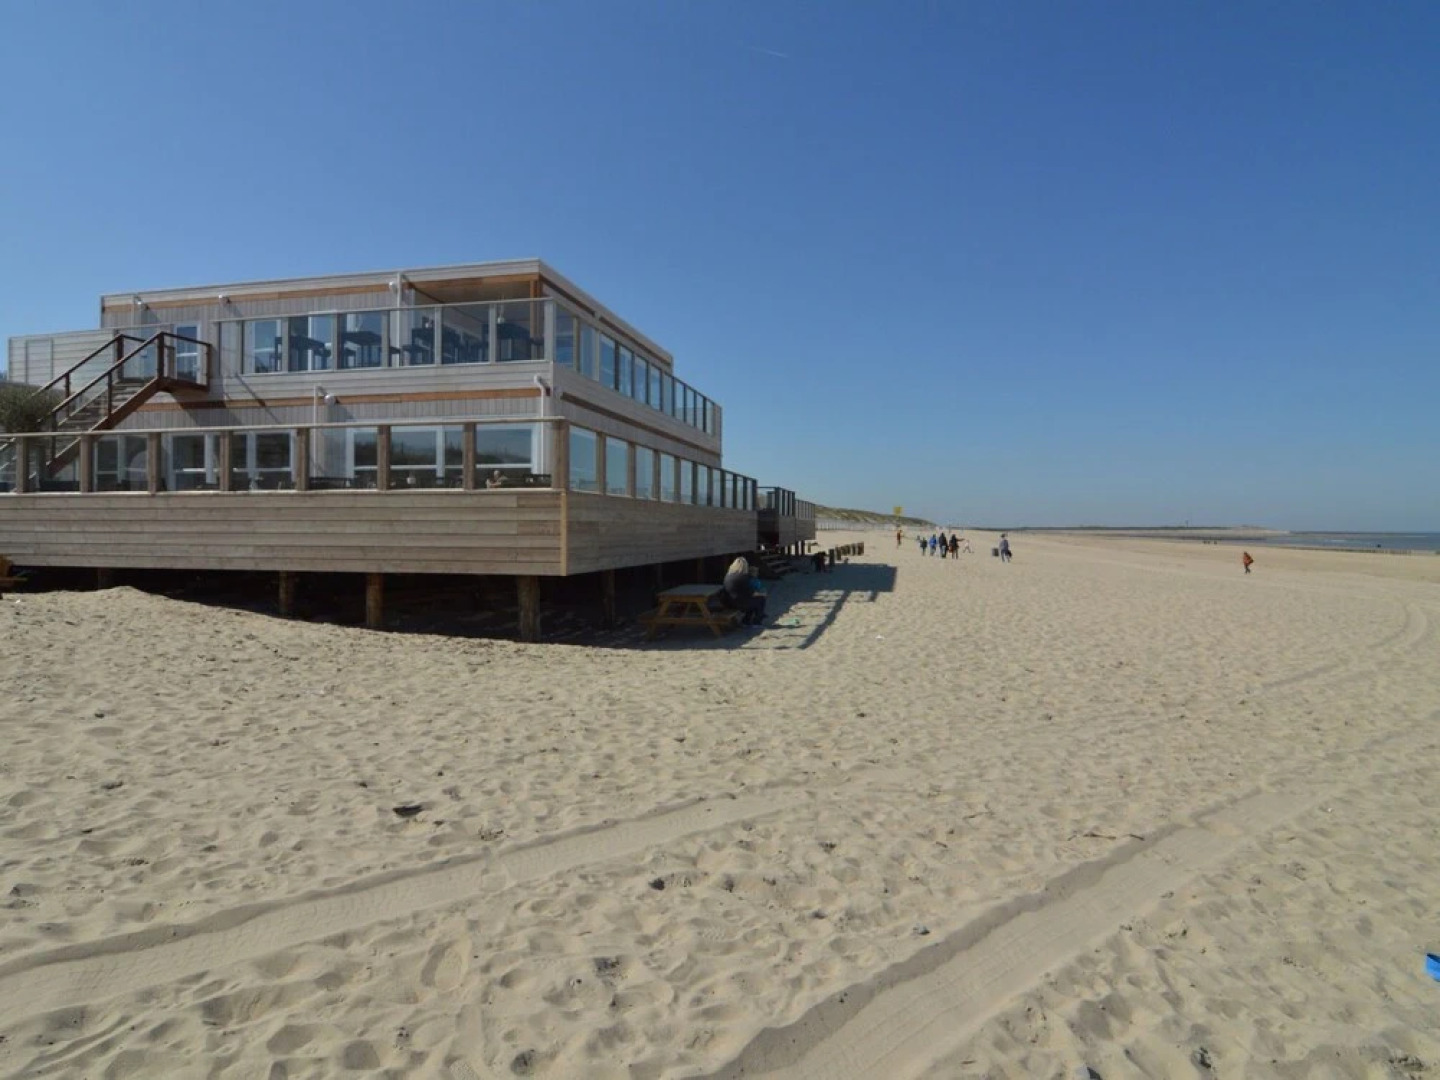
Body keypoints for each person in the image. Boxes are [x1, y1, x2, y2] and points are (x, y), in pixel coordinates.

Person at [723, 557, 767, 626]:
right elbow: (752, 593)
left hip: (729, 601)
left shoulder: (728, 575)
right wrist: (763, 594)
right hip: (738, 603)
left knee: (752, 600)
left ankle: (746, 620)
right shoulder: (743, 577)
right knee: (761, 599)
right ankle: (757, 621)